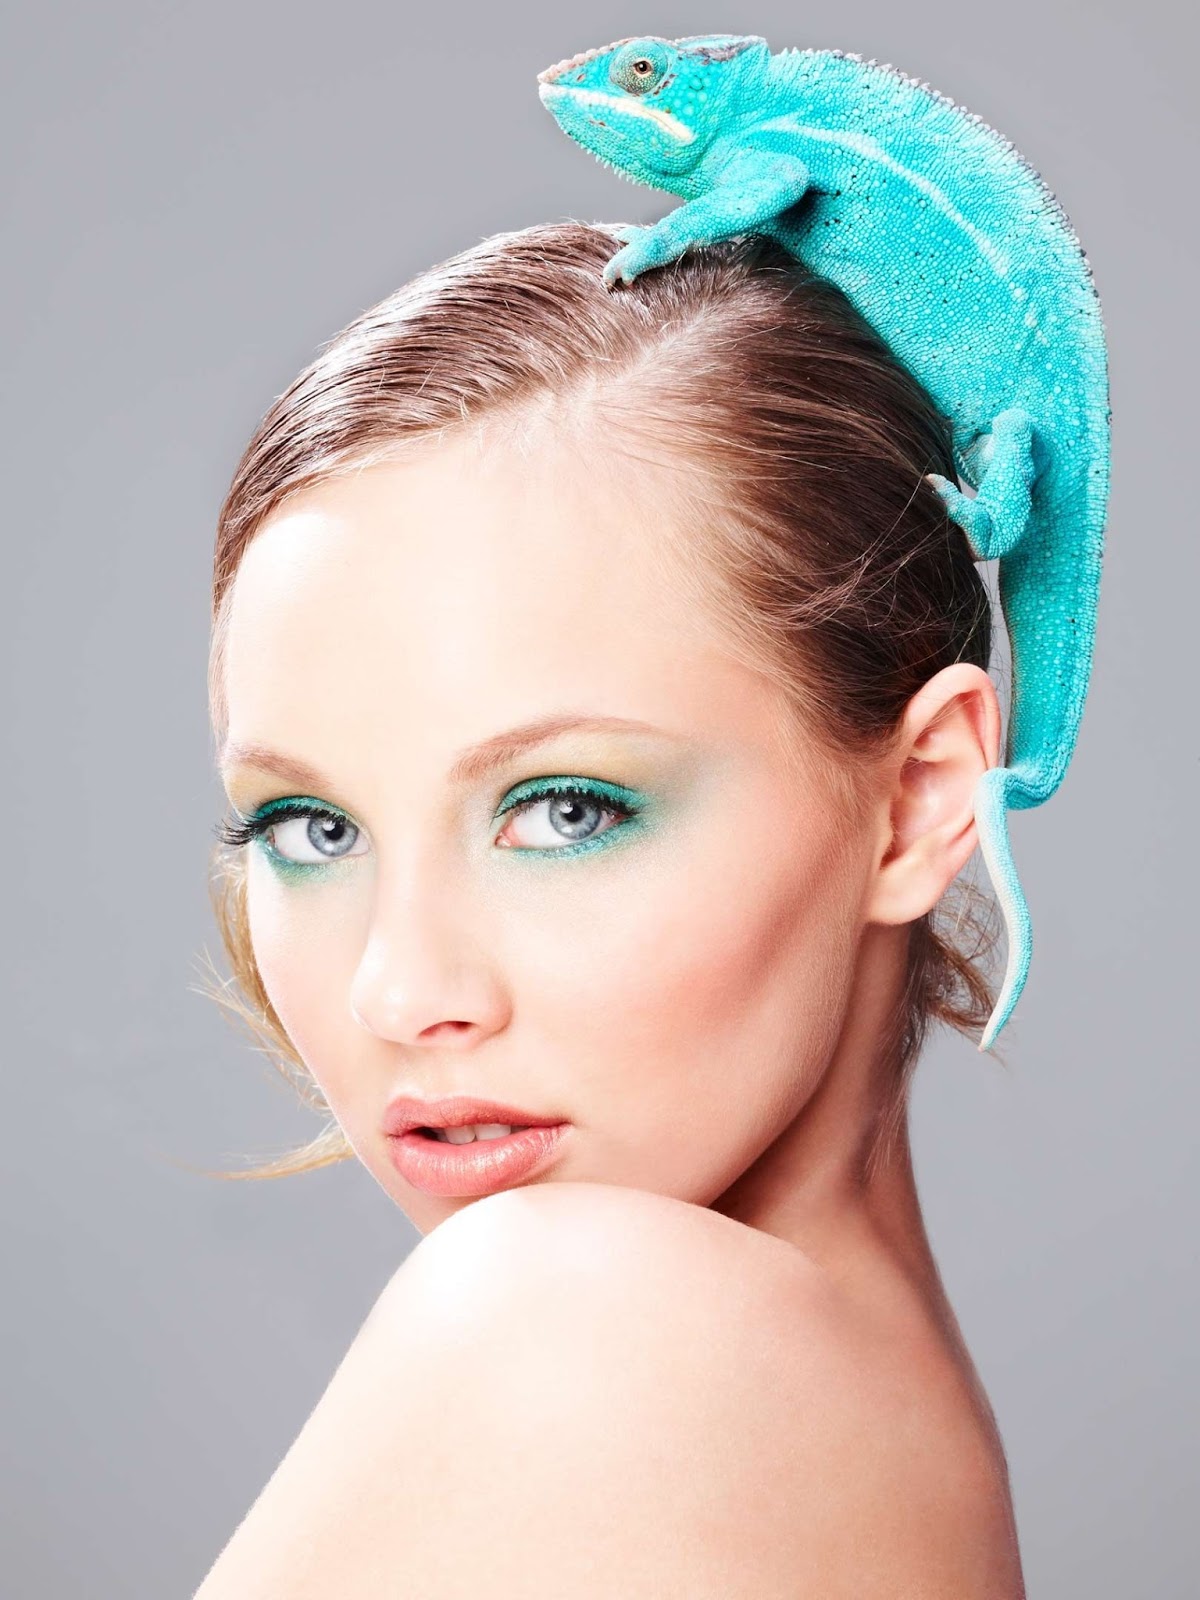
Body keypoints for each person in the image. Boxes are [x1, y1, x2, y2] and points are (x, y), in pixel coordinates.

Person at [193, 221, 1025, 1596]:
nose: (399, 992)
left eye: (569, 809)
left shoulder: (574, 1317)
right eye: (312, 828)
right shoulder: (904, 1443)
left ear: (921, 796)